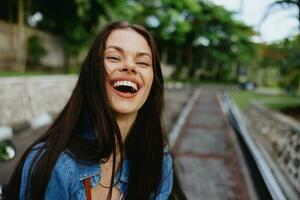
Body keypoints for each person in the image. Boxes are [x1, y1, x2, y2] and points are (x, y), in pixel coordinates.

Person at [5, 21, 186, 200]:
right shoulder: (55, 166)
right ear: (93, 72)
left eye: (143, 62)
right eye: (114, 57)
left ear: (153, 82)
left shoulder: (159, 164)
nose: (130, 66)